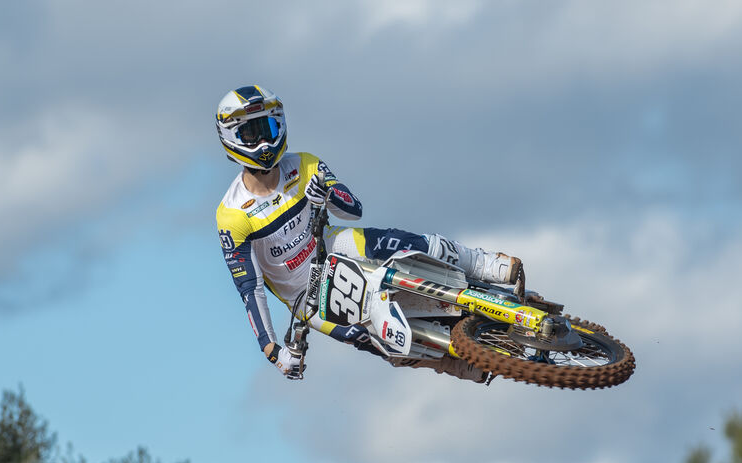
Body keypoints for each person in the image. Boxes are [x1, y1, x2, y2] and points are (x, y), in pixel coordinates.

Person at [215, 85, 521, 381]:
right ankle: (452, 364)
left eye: (267, 128)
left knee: (406, 243)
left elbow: (354, 209)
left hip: (331, 247)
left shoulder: (304, 164)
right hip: (305, 295)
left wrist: (330, 195)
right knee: (374, 339)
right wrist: (272, 351)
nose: (263, 141)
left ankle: (482, 263)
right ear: (232, 139)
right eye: (251, 134)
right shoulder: (231, 215)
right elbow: (250, 289)